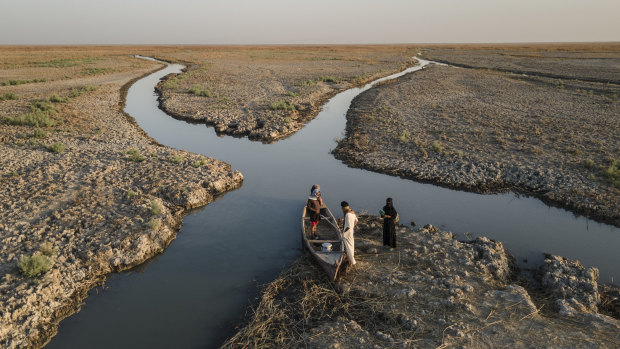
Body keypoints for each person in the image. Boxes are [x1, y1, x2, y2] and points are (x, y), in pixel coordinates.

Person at [341, 201, 358, 266]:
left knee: (348, 247)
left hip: (347, 233)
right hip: (351, 231)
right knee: (351, 245)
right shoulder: (352, 212)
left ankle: (351, 262)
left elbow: (347, 226)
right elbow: (356, 221)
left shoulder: (347, 215)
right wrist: (352, 226)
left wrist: (344, 232)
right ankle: (350, 260)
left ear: (343, 208)